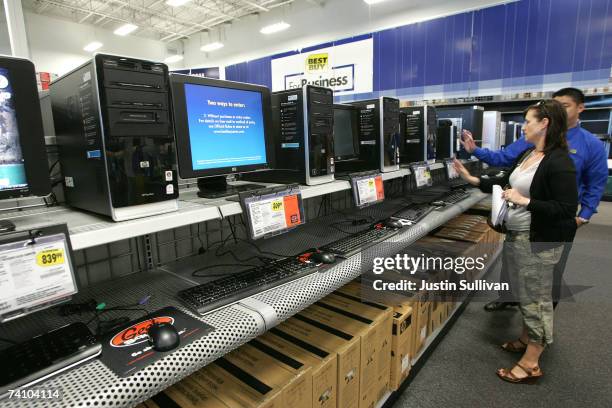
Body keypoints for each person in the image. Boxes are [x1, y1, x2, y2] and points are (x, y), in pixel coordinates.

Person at [453, 99, 578, 383]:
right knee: (524, 292)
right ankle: (525, 338)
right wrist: (472, 179)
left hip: (538, 241)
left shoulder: (559, 161)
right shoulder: (530, 154)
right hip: (518, 235)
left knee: (536, 299)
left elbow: (566, 209)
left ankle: (532, 362)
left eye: (529, 121)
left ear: (544, 123)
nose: (524, 126)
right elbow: (506, 181)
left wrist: (526, 201)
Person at [460, 88, 608, 311]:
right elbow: (505, 158)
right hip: (523, 220)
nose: (556, 108)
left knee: (547, 275)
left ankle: (538, 325)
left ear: (580, 108)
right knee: (512, 262)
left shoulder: (589, 145)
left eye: (564, 105)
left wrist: (582, 218)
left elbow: (595, 184)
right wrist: (475, 151)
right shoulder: (533, 140)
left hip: (556, 218)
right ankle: (508, 298)